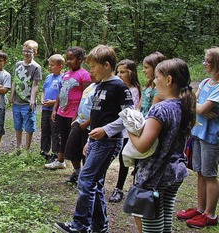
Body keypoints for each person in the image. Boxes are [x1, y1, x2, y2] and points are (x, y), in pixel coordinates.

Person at [55, 45, 134, 233]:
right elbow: (98, 117)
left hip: (109, 142)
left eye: (93, 67)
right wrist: (90, 141)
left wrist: (106, 130)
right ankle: (100, 227)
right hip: (96, 141)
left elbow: (129, 115)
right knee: (95, 184)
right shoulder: (100, 85)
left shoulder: (119, 86)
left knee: (86, 180)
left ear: (106, 65)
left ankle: (80, 225)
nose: (91, 72)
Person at [129, 58, 194, 232]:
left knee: (153, 226)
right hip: (176, 172)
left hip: (156, 175)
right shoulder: (186, 105)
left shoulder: (161, 109)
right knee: (165, 222)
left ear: (169, 79)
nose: (154, 81)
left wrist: (129, 130)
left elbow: (142, 146)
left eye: (157, 77)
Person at [177, 47, 219, 229]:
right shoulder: (205, 82)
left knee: (210, 175)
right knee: (201, 173)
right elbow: (191, 102)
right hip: (199, 134)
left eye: (207, 61)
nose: (204, 64)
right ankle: (200, 209)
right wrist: (199, 106)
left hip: (212, 137)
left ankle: (210, 214)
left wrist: (198, 106)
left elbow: (198, 107)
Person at [46, 46, 91, 170]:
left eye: (71, 59)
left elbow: (86, 97)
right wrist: (55, 108)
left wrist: (76, 115)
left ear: (80, 59)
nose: (68, 61)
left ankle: (81, 169)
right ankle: (60, 161)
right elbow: (61, 92)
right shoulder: (65, 75)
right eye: (67, 59)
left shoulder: (85, 75)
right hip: (62, 112)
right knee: (63, 136)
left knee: (75, 141)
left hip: (74, 114)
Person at [109, 59, 141, 203]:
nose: (119, 75)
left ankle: (134, 189)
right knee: (123, 159)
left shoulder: (135, 91)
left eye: (123, 72)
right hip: (120, 131)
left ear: (131, 73)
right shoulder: (118, 88)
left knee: (134, 160)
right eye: (118, 72)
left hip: (131, 132)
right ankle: (119, 188)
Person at [10, 40, 42, 151]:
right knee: (17, 124)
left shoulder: (36, 67)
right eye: (24, 51)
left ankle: (27, 149)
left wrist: (32, 100)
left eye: (29, 51)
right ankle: (18, 147)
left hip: (28, 102)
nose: (26, 53)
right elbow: (15, 80)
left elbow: (35, 85)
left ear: (34, 52)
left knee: (29, 125)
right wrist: (12, 95)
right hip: (17, 102)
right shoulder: (18, 65)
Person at [39, 54, 64, 162]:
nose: (50, 67)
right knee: (45, 130)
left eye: (52, 65)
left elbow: (63, 96)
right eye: (49, 65)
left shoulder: (62, 78)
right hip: (45, 109)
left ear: (60, 66)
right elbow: (43, 90)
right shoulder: (49, 77)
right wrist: (42, 99)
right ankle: (44, 151)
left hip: (56, 110)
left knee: (55, 132)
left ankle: (56, 153)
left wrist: (53, 102)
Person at [140, 52, 167, 116]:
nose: (143, 70)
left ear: (155, 68)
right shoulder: (147, 86)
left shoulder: (159, 90)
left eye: (146, 67)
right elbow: (139, 106)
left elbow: (152, 112)